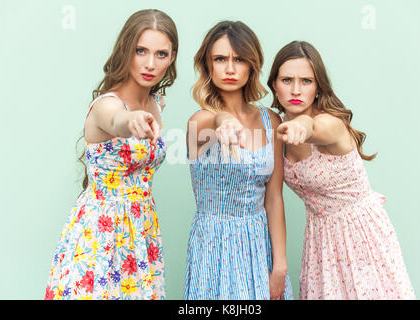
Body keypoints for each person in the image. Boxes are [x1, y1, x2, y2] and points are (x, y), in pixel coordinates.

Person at [44, 9, 178, 300]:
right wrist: (130, 122)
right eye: (140, 51)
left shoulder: (156, 103)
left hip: (141, 233)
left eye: (161, 54)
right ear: (125, 49)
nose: (150, 63)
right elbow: (117, 119)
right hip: (101, 235)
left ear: (172, 58)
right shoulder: (106, 106)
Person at [267, 40, 415, 299]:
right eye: (287, 80)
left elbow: (314, 127)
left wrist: (303, 124)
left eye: (307, 81)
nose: (296, 89)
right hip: (320, 240)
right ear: (274, 85)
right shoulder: (277, 126)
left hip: (360, 235)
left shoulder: (331, 124)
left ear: (318, 87)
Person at [184, 20, 293, 300]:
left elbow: (274, 197)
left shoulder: (271, 120)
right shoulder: (200, 122)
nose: (230, 69)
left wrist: (279, 266)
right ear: (207, 65)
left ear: (252, 65)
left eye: (239, 59)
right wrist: (223, 118)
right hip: (214, 248)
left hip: (260, 246)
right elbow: (213, 118)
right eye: (220, 59)